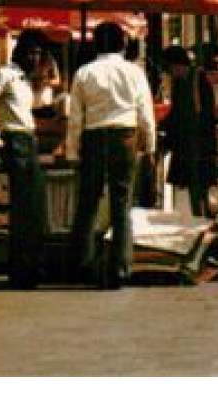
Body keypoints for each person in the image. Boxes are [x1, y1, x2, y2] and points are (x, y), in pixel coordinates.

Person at [66, 21, 156, 289]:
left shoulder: (84, 73)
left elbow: (75, 118)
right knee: (121, 204)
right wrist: (149, 147)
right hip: (125, 137)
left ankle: (82, 264)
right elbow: (145, 113)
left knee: (88, 203)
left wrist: (73, 150)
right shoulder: (134, 73)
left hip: (94, 136)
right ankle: (120, 267)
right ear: (122, 44)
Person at [0, 32, 49, 288]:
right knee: (25, 210)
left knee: (33, 209)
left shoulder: (25, 81)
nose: (34, 58)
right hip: (15, 142)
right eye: (30, 52)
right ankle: (22, 271)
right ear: (20, 52)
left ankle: (30, 267)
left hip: (28, 140)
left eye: (38, 53)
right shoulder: (6, 74)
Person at [161, 46, 211, 219]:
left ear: (178, 65)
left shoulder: (199, 79)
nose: (169, 73)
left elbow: (206, 112)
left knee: (200, 186)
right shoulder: (179, 83)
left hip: (198, 142)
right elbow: (176, 112)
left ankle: (204, 220)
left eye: (169, 69)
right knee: (192, 186)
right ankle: (198, 218)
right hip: (185, 144)